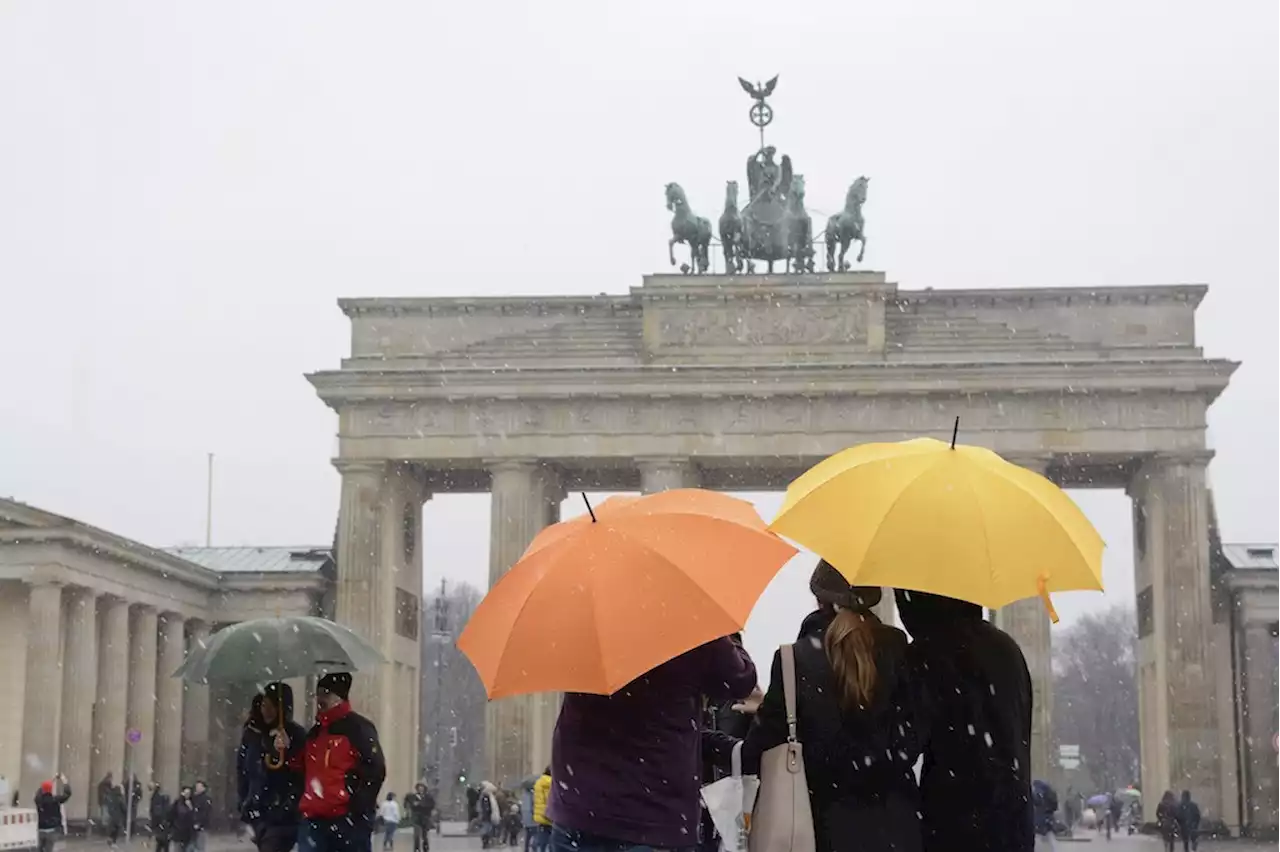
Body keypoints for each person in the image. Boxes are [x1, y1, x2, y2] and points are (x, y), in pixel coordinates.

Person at [733, 562, 927, 852]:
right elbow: (915, 737)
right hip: (898, 831)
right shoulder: (902, 653)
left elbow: (757, 750)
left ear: (819, 599)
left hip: (820, 830)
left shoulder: (794, 661)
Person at [546, 630, 756, 852]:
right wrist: (724, 628)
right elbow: (740, 680)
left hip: (578, 810)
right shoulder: (685, 620)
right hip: (655, 815)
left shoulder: (583, 623)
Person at [896, 589, 1033, 852]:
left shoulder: (928, 652)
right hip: (1013, 821)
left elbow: (902, 745)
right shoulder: (1007, 649)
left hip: (953, 823)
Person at [295, 672, 386, 852]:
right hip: (314, 819)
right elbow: (301, 768)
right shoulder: (315, 733)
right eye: (318, 693)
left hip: (347, 821)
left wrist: (357, 805)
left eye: (326, 694)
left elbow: (375, 770)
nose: (320, 699)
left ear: (339, 698)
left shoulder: (358, 728)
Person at [242, 683, 307, 852]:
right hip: (259, 814)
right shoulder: (253, 734)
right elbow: (243, 771)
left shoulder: (296, 735)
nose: (266, 711)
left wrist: (287, 750)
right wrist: (245, 803)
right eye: (264, 705)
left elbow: (300, 773)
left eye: (272, 706)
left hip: (284, 814)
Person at [34, 774, 71, 852]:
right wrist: (64, 781)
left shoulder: (39, 800)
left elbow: (40, 791)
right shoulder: (55, 800)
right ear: (51, 789)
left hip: (41, 829)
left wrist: (52, 780)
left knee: (40, 849)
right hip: (53, 829)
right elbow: (67, 794)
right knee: (49, 849)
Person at [403, 784, 435, 852]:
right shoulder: (413, 796)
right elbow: (407, 802)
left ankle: (425, 847)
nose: (420, 789)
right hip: (416, 817)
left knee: (424, 835)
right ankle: (416, 848)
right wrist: (410, 807)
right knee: (416, 834)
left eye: (422, 788)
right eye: (419, 788)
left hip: (425, 817)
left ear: (424, 789)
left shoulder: (428, 797)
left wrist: (420, 804)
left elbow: (432, 805)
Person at [1031, 780, 1058, 850]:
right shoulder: (1050, 792)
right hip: (1049, 818)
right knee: (1050, 837)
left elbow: (1036, 801)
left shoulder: (1038, 791)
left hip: (1040, 819)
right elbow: (1055, 807)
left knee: (1038, 839)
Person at [170, 787, 197, 852]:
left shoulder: (193, 803)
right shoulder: (177, 802)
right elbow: (172, 814)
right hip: (178, 830)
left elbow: (194, 816)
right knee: (178, 848)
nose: (187, 795)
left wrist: (190, 807)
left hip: (189, 832)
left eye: (189, 793)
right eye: (186, 793)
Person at [531, 770, 551, 852]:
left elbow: (538, 801)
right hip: (551, 817)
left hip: (541, 818)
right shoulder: (551, 783)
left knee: (542, 841)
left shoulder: (539, 783)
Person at [150, 783, 173, 852]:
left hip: (160, 824)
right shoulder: (165, 803)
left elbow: (153, 811)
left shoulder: (155, 798)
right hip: (164, 825)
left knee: (160, 843)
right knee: (164, 844)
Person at [190, 781, 211, 852]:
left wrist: (199, 823)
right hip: (192, 826)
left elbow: (205, 812)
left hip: (201, 826)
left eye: (199, 787)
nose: (197, 788)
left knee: (200, 845)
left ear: (204, 788)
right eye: (197, 787)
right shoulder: (193, 798)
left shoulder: (206, 799)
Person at [105, 782, 127, 849]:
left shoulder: (110, 796)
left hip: (112, 815)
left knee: (113, 827)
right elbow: (123, 807)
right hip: (118, 815)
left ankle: (110, 838)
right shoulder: (119, 797)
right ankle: (113, 841)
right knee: (117, 829)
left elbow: (108, 805)